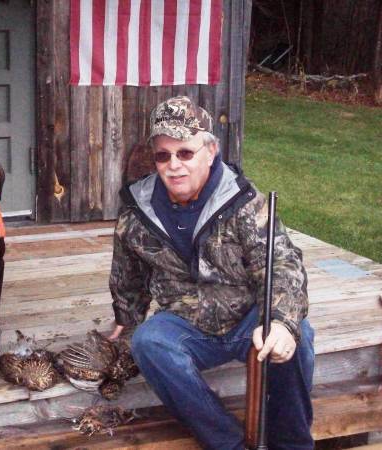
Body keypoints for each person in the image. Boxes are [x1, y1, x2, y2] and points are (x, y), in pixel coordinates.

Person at [108, 96, 315, 450]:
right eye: (163, 155)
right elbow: (127, 268)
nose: (174, 165)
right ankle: (228, 443)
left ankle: (292, 443)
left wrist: (281, 322)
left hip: (248, 319)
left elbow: (282, 262)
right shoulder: (137, 210)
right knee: (148, 343)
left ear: (210, 150)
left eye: (185, 153)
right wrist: (126, 314)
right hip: (186, 323)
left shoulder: (244, 203)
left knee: (300, 337)